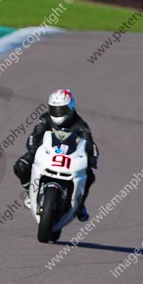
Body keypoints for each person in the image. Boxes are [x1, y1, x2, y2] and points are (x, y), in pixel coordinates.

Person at [13, 89, 98, 222]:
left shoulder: (80, 125)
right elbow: (34, 136)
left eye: (61, 110)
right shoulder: (45, 119)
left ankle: (80, 205)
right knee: (21, 165)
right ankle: (30, 192)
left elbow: (90, 144)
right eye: (54, 109)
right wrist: (32, 151)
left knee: (89, 175)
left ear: (71, 108)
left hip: (69, 159)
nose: (57, 113)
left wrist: (92, 158)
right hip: (46, 155)